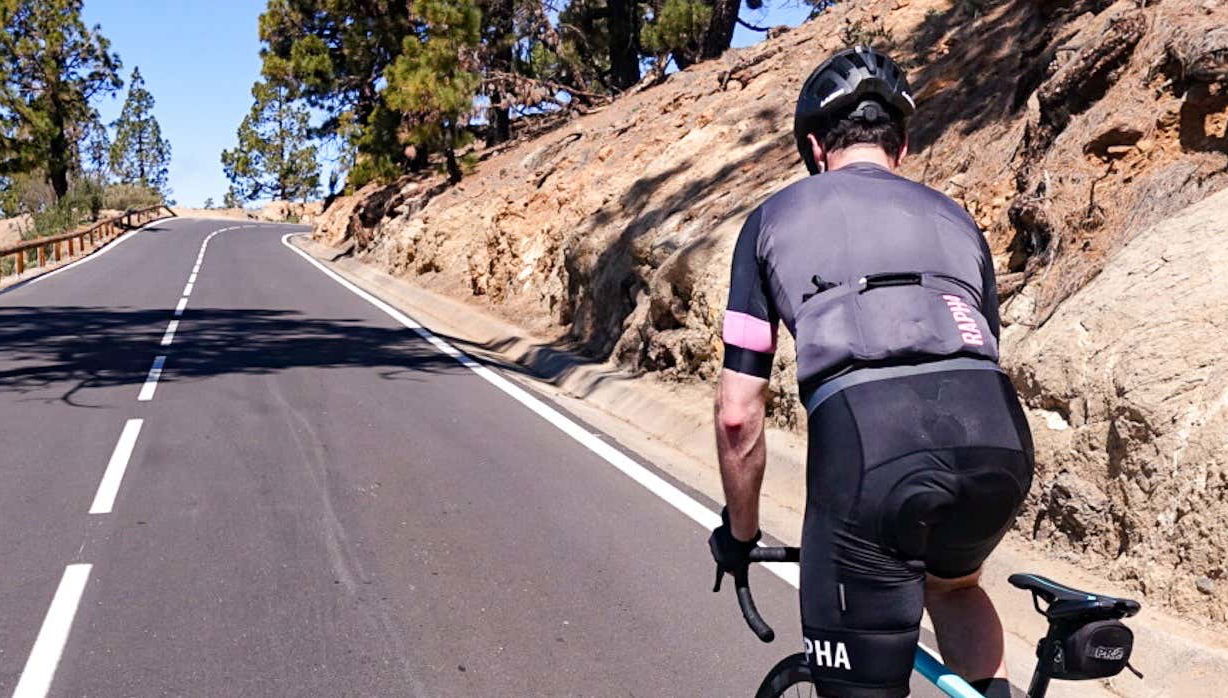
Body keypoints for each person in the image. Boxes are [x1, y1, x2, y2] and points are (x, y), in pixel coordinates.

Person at [707, 46, 1034, 698]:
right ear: (902, 147)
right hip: (996, 435)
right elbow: (981, 349)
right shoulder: (957, 218)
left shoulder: (770, 220)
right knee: (955, 586)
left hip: (872, 447)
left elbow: (738, 415)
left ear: (813, 146)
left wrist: (740, 535)